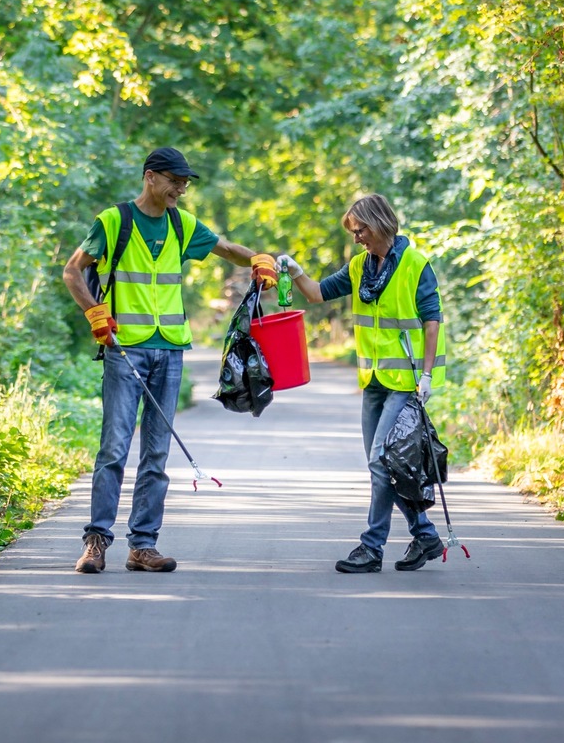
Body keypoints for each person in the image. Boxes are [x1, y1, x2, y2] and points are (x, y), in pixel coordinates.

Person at [62, 146, 274, 574]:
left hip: (170, 348)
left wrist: (259, 259)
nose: (181, 188)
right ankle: (96, 543)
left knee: (156, 452)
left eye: (185, 183)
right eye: (175, 180)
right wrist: (94, 313)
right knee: (114, 447)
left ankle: (143, 546)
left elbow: (226, 248)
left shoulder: (182, 224)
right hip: (126, 349)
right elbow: (71, 271)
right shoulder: (114, 221)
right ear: (151, 178)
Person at [278, 193, 447, 573]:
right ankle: (425, 535)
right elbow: (319, 292)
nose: (356, 238)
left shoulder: (416, 265)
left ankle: (371, 547)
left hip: (405, 380)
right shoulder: (359, 268)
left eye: (360, 230)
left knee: (380, 461)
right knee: (386, 464)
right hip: (373, 379)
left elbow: (432, 320)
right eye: (353, 232)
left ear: (380, 223)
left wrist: (427, 374)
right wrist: (294, 269)